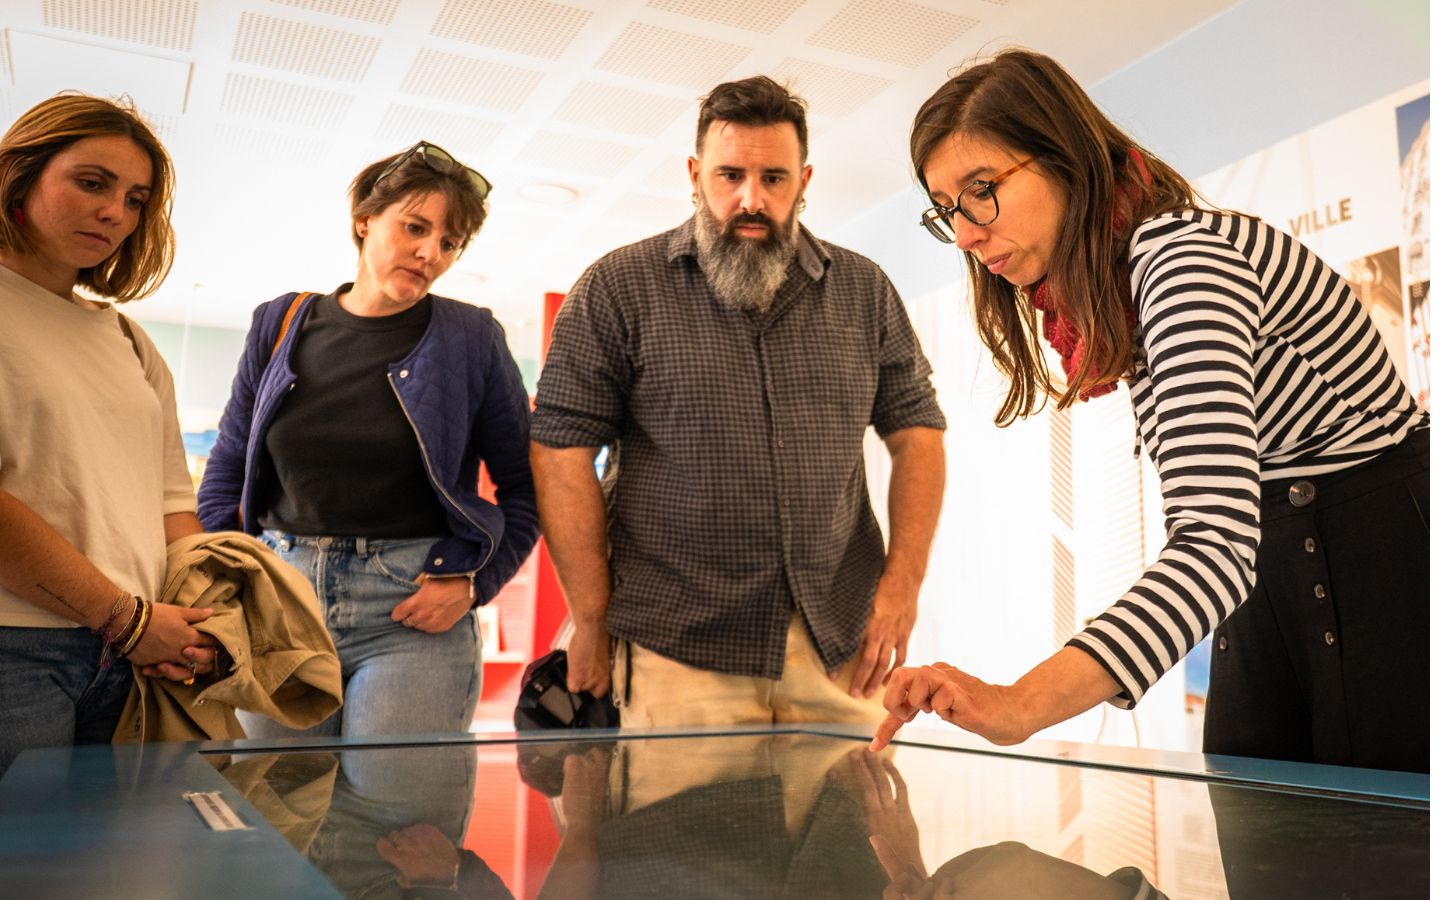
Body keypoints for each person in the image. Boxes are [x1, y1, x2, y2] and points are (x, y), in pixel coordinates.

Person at [871, 50, 1429, 773]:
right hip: (1271, 572)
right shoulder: (1127, 281)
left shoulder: (1183, 261)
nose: (968, 235)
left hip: (1378, 571)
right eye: (947, 210)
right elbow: (1227, 538)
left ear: (1064, 157)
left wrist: (1019, 703)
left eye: (982, 190)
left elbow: (1215, 545)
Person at [531, 76, 947, 728]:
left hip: (839, 645)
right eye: (730, 175)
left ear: (804, 181)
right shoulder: (618, 288)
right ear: (696, 175)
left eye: (774, 178)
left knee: (850, 828)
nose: (752, 199)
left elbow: (917, 433)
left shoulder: (865, 292)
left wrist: (902, 588)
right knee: (679, 833)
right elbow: (560, 452)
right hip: (677, 653)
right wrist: (588, 618)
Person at [197, 141, 538, 739]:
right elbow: (228, 465)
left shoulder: (472, 338)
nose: (431, 251)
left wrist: (475, 583)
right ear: (364, 220)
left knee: (397, 820)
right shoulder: (278, 323)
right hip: (281, 604)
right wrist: (227, 581)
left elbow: (525, 487)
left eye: (451, 242)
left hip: (410, 611)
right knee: (277, 813)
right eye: (415, 227)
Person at [0, 94, 217, 776]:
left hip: (133, 657)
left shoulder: (127, 338)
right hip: (17, 650)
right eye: (93, 183)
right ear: (20, 176)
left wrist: (201, 613)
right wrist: (125, 619)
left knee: (110, 876)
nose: (115, 213)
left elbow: (169, 500)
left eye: (136, 199)